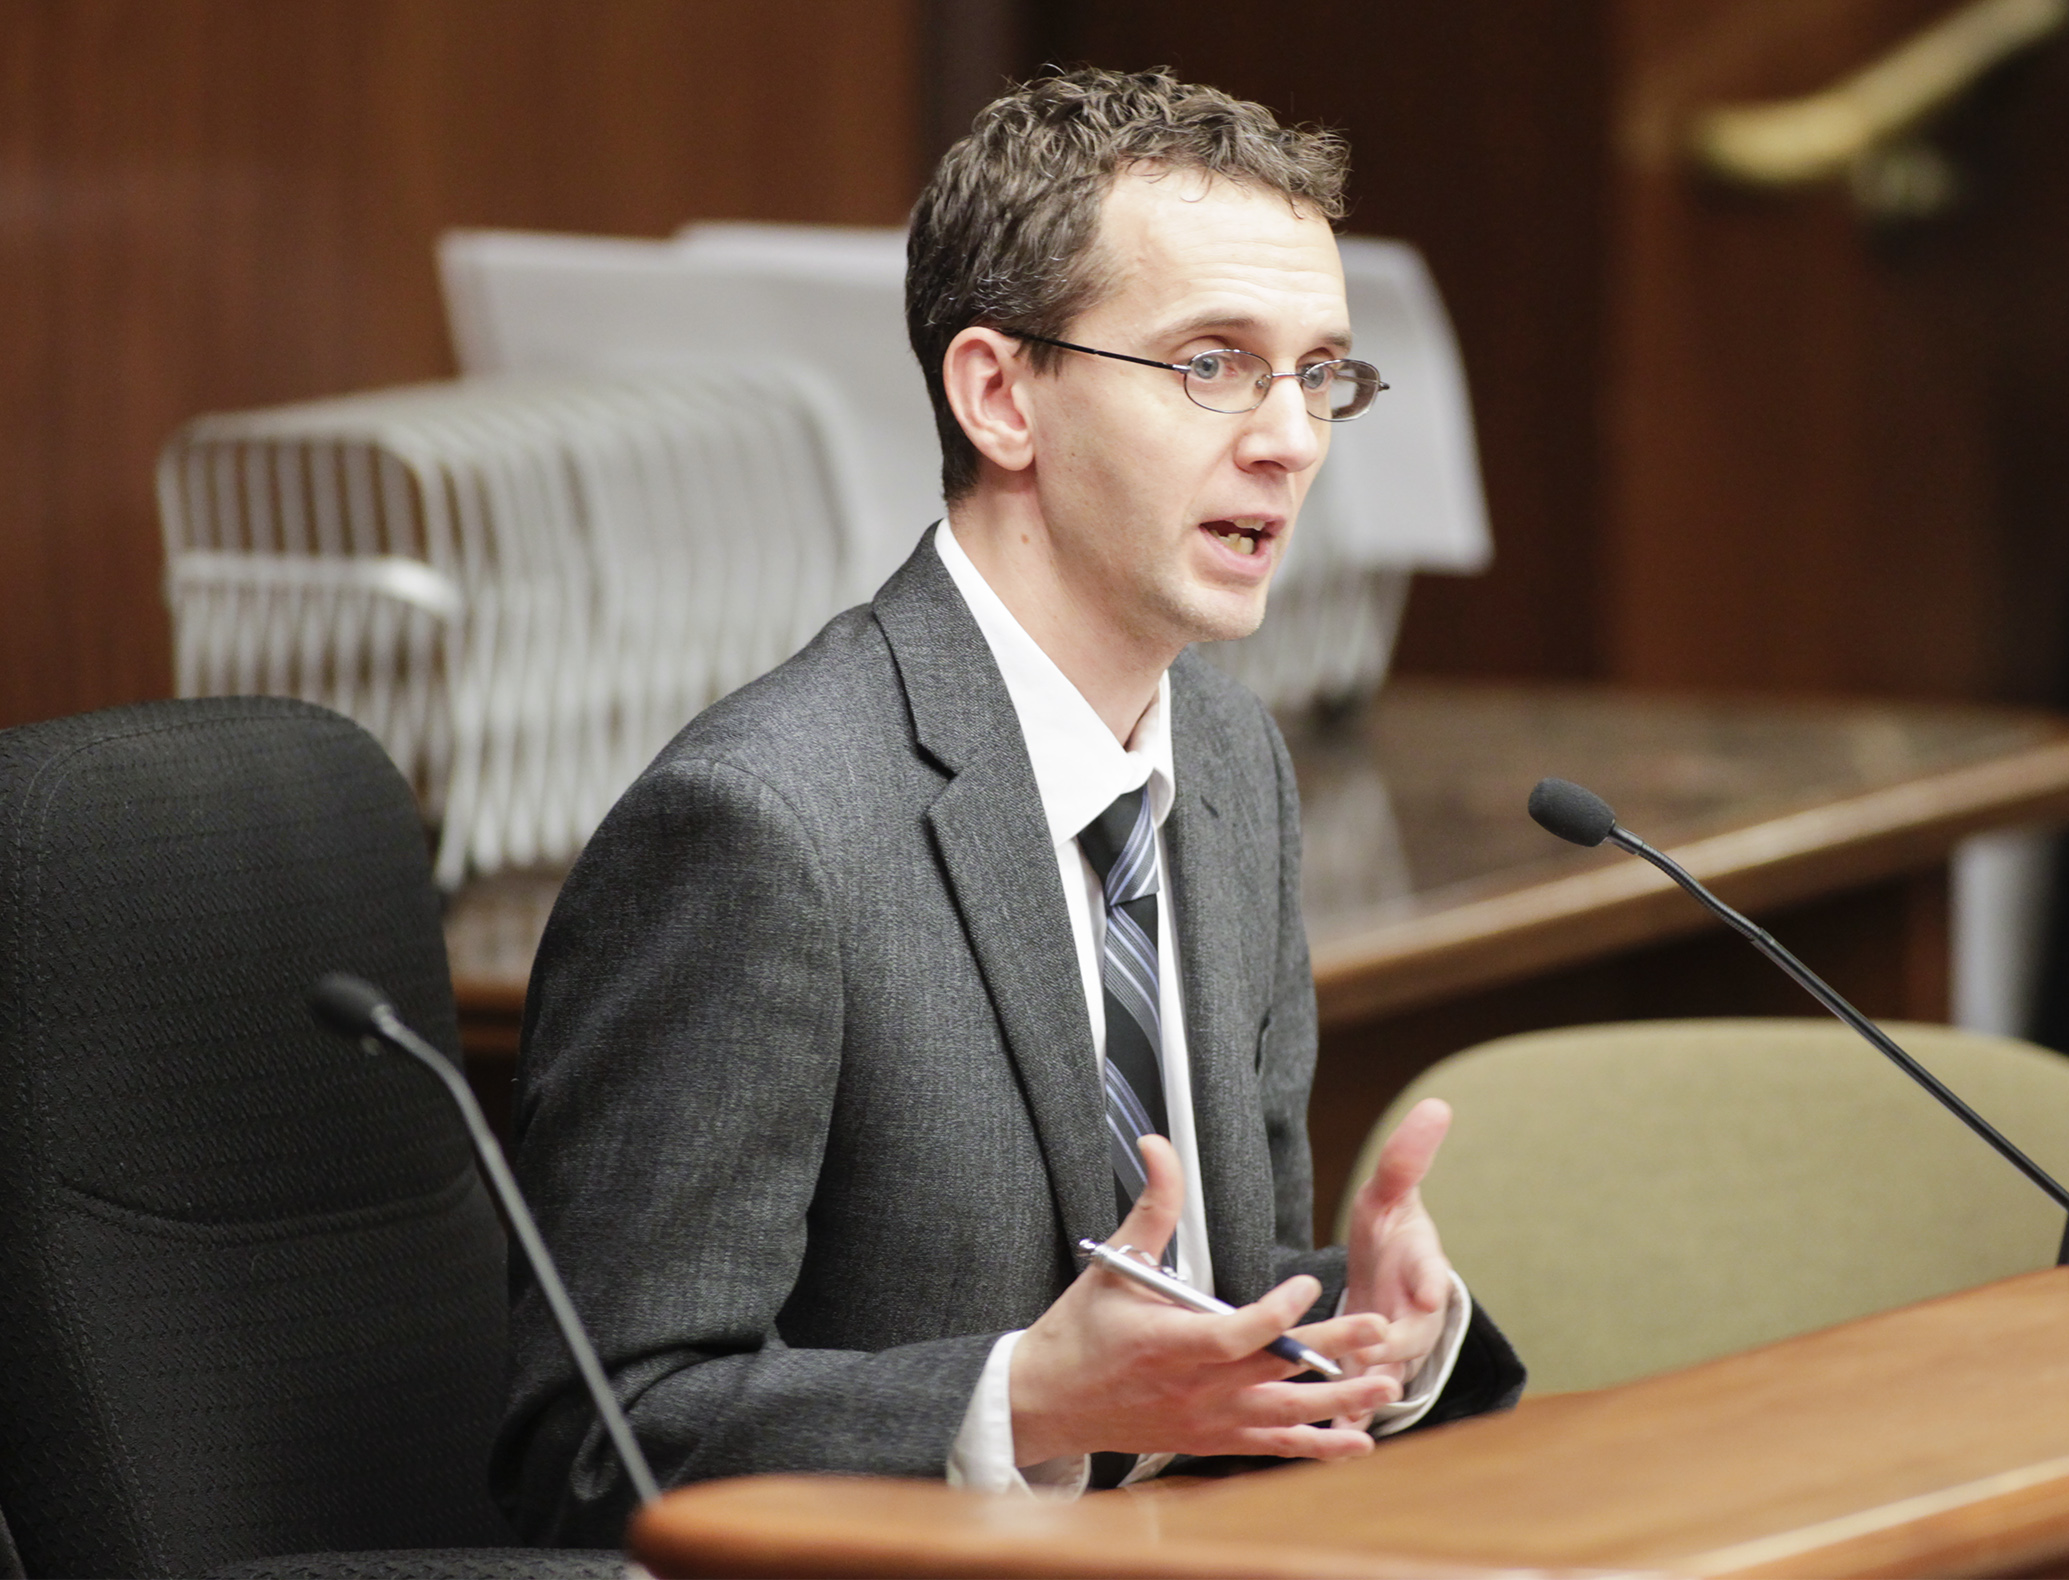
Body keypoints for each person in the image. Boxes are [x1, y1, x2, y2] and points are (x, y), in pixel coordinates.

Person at [495, 67, 1523, 1546]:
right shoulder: (761, 829)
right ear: (1000, 395)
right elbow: (590, 1443)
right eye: (1215, 366)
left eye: (1318, 373)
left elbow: (1192, 1318)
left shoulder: (1232, 764)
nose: (1292, 438)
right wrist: (1022, 1403)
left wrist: (1363, 1333)